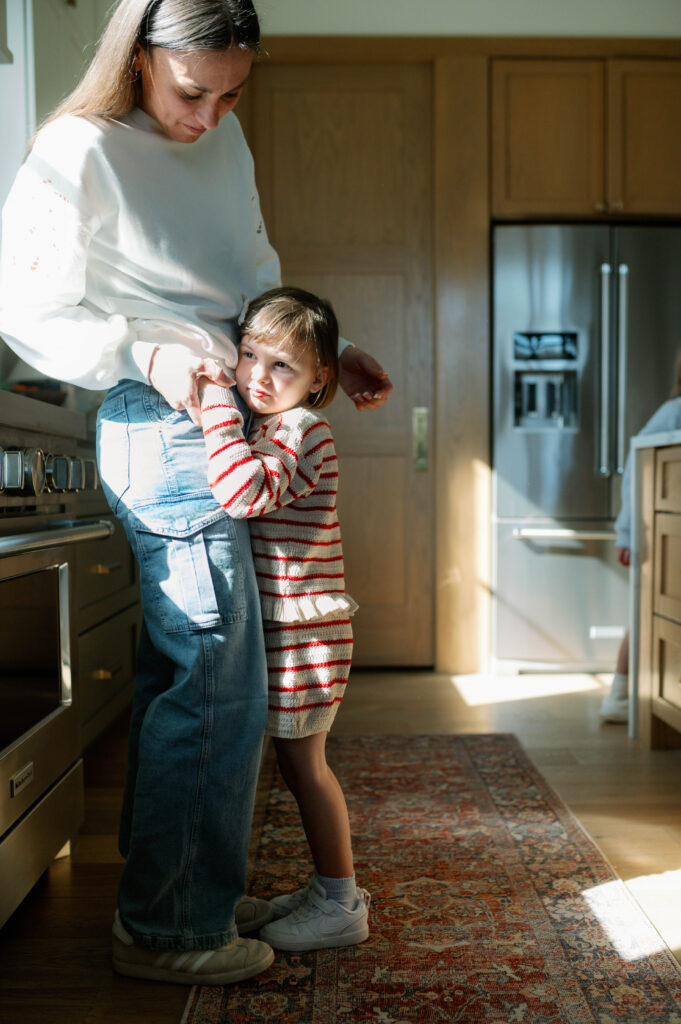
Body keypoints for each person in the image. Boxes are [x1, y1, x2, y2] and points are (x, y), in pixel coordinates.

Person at [0, 0, 391, 986]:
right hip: (161, 411)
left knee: (189, 669)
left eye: (231, 93)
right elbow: (23, 308)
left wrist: (324, 359)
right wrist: (142, 347)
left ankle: (178, 896)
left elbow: (250, 278)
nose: (210, 116)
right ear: (138, 55)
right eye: (191, 91)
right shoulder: (77, 150)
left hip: (233, 400)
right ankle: (170, 927)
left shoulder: (223, 140)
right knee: (216, 670)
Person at [200, 286, 370, 951]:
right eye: (248, 357)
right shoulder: (273, 425)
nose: (257, 378)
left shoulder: (303, 429)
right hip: (293, 628)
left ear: (319, 378)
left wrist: (214, 399)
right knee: (297, 766)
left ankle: (339, 901)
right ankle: (327, 888)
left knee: (306, 768)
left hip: (306, 636)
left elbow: (243, 492)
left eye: (282, 367)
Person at [601, 357, 681, 723]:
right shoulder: (673, 411)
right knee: (645, 613)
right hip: (655, 531)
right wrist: (628, 532)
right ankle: (619, 694)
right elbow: (639, 468)